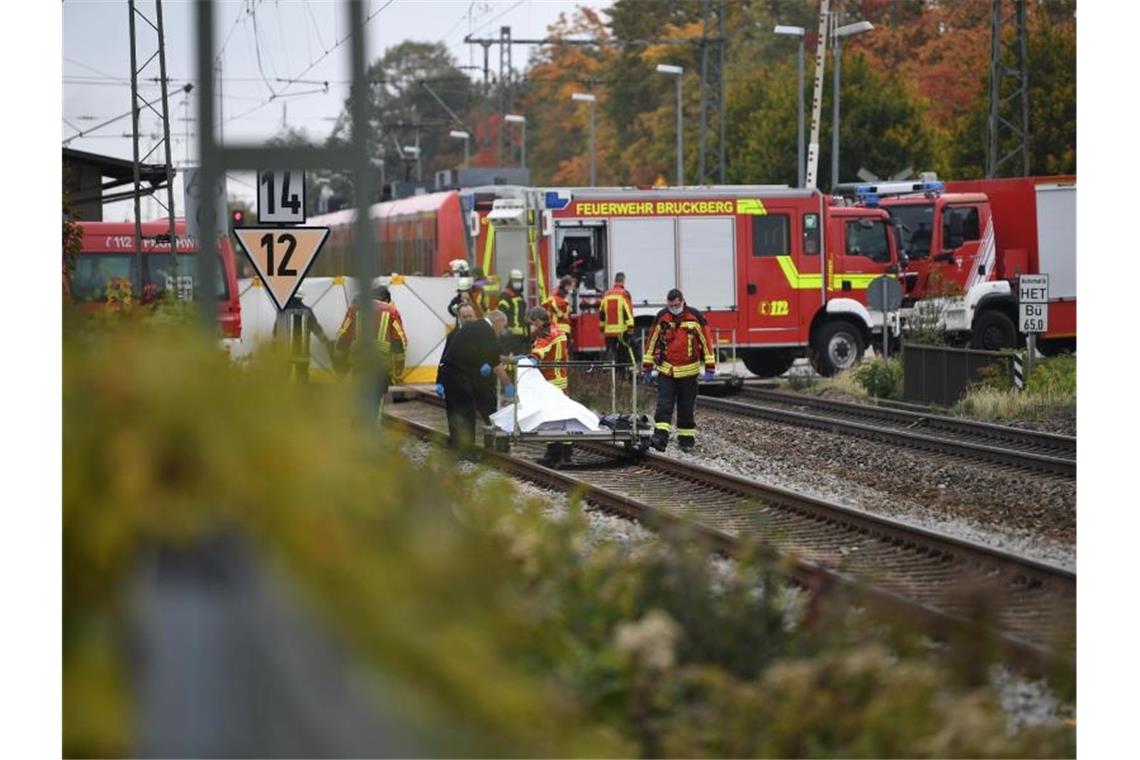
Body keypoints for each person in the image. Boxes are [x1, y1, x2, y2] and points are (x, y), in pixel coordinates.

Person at [641, 288, 716, 453]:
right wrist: (647, 367)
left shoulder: (695, 317)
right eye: (671, 305)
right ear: (667, 303)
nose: (674, 307)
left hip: (689, 372)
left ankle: (686, 440)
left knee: (686, 407)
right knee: (664, 405)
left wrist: (710, 367)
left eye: (677, 304)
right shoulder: (662, 317)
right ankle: (660, 438)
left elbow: (706, 343)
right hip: (667, 370)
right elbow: (651, 343)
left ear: (682, 301)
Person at [436, 309, 514, 456]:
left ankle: (456, 445)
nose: (502, 330)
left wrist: (509, 360)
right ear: (497, 321)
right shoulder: (486, 330)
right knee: (466, 411)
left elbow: (487, 354)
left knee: (456, 411)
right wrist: (508, 384)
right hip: (458, 375)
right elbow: (494, 361)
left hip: (451, 373)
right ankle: (466, 450)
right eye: (503, 326)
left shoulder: (477, 327)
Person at [334, 283, 408, 425]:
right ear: (386, 299)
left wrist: (339, 362)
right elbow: (399, 342)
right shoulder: (391, 311)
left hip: (359, 364)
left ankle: (356, 430)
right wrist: (399, 368)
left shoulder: (355, 309)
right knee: (376, 402)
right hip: (381, 367)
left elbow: (343, 337)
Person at [526, 306, 573, 467]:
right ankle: (567, 454)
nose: (531, 327)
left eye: (532, 323)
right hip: (562, 378)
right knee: (563, 417)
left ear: (538, 321)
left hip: (550, 381)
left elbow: (540, 350)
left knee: (550, 418)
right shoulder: (559, 331)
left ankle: (553, 454)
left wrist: (532, 359)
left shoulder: (545, 333)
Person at [272, 287, 332, 382]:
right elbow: (316, 328)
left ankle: (283, 396)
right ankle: (302, 394)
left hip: (285, 351)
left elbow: (276, 331)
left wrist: (274, 347)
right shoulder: (307, 311)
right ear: (301, 298)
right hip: (302, 351)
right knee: (302, 378)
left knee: (283, 379)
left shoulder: (282, 311)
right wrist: (325, 341)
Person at [599, 272, 636, 368]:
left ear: (615, 280)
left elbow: (602, 312)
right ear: (623, 281)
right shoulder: (624, 294)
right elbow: (628, 311)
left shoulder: (606, 294)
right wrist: (630, 327)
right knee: (622, 354)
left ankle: (608, 375)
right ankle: (621, 375)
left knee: (610, 353)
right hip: (621, 331)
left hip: (609, 331)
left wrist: (602, 327)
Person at [497, 268, 528, 354]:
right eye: (515, 280)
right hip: (509, 335)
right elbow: (501, 313)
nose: (518, 283)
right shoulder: (505, 296)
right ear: (510, 281)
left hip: (521, 336)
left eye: (519, 280)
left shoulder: (520, 296)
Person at [541, 275, 575, 351]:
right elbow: (562, 315)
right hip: (560, 329)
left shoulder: (556, 297)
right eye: (571, 286)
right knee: (563, 352)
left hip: (558, 329)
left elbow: (543, 306)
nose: (572, 289)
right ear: (566, 286)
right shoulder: (559, 299)